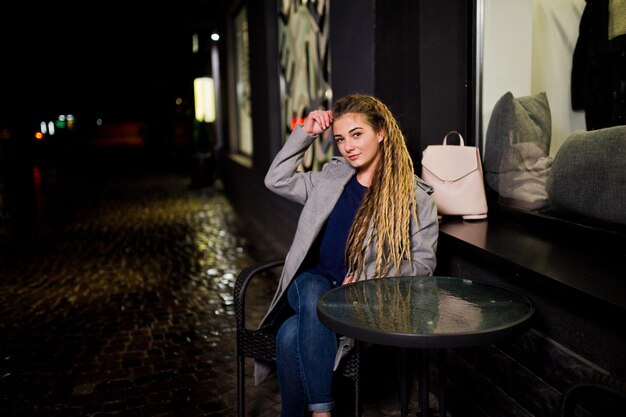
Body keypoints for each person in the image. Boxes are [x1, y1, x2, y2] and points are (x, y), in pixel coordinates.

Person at [258, 94, 439, 417]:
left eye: (357, 134)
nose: (348, 146)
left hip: (356, 298)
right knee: (315, 294)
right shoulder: (330, 178)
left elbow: (423, 263)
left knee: (288, 335)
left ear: (381, 132)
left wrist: (370, 278)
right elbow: (276, 179)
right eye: (340, 138)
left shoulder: (414, 196)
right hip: (311, 280)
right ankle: (323, 412)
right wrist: (306, 133)